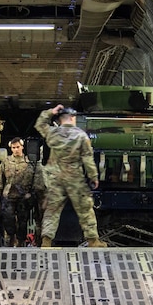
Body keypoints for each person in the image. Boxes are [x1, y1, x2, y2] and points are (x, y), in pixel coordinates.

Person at [34, 105, 107, 248]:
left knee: (52, 210)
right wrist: (93, 176)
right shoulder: (81, 135)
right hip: (74, 178)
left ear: (60, 119)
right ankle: (93, 241)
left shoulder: (53, 133)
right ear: (73, 118)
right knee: (85, 209)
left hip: (55, 177)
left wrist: (50, 112)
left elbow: (39, 124)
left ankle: (46, 240)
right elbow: (87, 158)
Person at [0, 137, 45, 247]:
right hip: (9, 196)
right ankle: (9, 241)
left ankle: (20, 243)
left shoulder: (29, 162)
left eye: (18, 147)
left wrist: (33, 193)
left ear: (22, 147)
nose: (16, 149)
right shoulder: (6, 162)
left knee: (23, 222)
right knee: (8, 220)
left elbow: (35, 178)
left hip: (24, 197)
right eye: (13, 147)